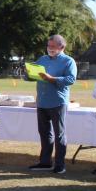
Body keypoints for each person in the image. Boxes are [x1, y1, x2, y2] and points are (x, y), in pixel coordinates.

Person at [29, 34, 77, 174]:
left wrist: (52, 79)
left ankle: (60, 165)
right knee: (44, 133)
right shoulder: (42, 59)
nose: (49, 48)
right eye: (48, 46)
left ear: (61, 47)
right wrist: (29, 73)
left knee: (59, 134)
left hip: (58, 101)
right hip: (42, 101)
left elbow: (71, 79)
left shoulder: (68, 61)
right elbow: (33, 76)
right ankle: (45, 162)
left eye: (53, 46)